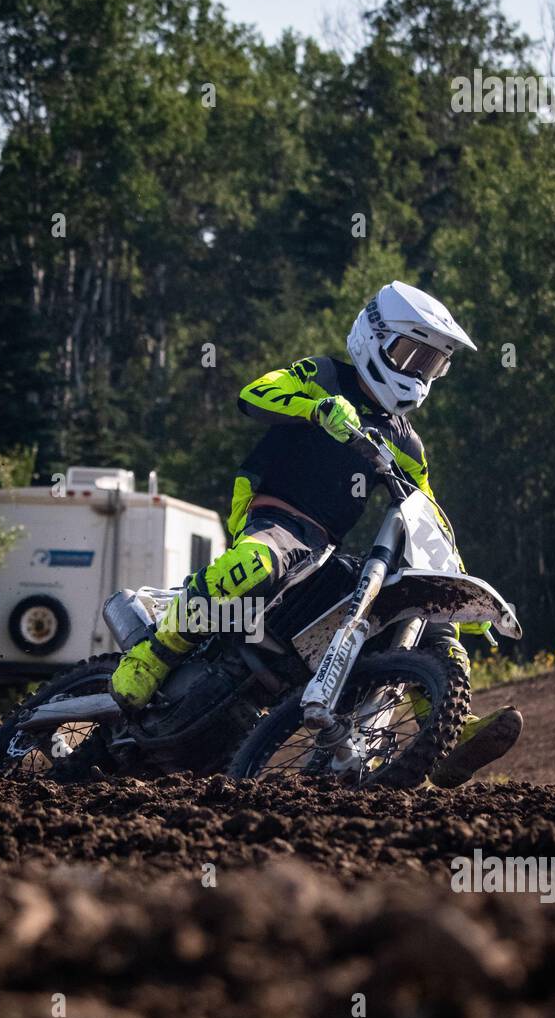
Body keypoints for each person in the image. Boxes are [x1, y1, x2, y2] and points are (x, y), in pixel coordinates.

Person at [110, 280, 522, 787]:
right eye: (410, 353)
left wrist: (456, 584)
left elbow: (429, 515)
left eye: (430, 364)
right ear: (374, 336)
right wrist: (317, 408)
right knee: (261, 562)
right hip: (275, 511)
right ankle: (155, 652)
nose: (416, 371)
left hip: (324, 544)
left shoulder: (408, 444)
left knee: (425, 603)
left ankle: (450, 727)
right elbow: (254, 392)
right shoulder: (325, 375)